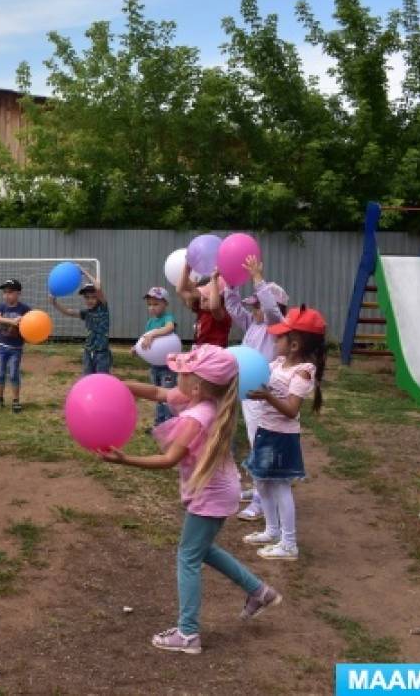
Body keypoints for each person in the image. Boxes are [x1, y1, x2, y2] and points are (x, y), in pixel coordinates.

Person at [101, 345, 283, 654]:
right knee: (202, 550)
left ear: (196, 385)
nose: (175, 377)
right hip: (219, 491)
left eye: (181, 373)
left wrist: (125, 459)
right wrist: (117, 386)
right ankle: (259, 591)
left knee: (187, 557)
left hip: (210, 496)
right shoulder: (203, 399)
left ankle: (188, 633)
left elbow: (169, 459)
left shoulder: (198, 416)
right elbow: (157, 392)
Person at [243, 306, 327, 562]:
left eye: (279, 337)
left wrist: (267, 395)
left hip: (281, 438)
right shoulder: (278, 363)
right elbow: (256, 376)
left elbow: (291, 409)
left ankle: (289, 543)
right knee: (261, 481)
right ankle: (272, 530)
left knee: (280, 486)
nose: (274, 340)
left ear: (294, 345)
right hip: (265, 432)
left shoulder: (301, 372)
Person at [223, 256, 289, 522]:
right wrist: (231, 284)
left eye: (257, 306)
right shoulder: (253, 325)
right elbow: (233, 307)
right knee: (254, 442)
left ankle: (262, 502)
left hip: (265, 394)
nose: (253, 311)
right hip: (249, 393)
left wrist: (258, 279)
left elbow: (272, 310)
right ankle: (259, 488)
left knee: (261, 445)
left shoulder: (276, 327)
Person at [52, 273, 111, 375]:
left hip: (102, 354)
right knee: (87, 378)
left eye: (93, 297)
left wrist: (85, 271)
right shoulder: (86, 313)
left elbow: (98, 287)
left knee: (101, 379)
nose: (90, 300)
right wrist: (55, 303)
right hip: (88, 352)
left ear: (98, 298)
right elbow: (68, 312)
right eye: (87, 297)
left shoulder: (103, 308)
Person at [0, 278, 31, 413]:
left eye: (10, 292)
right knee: (0, 372)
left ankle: (16, 401)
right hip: (1, 347)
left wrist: (23, 321)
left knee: (13, 374)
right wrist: (13, 321)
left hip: (16, 349)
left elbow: (32, 324)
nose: (7, 295)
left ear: (19, 293)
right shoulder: (1, 307)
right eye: (4, 292)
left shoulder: (25, 309)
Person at [137, 287, 178, 427]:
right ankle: (159, 423)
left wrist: (153, 334)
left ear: (165, 303)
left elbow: (169, 328)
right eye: (149, 304)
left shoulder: (168, 318)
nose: (152, 308)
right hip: (155, 366)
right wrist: (136, 348)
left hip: (167, 367)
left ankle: (170, 424)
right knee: (157, 395)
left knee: (168, 395)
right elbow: (145, 340)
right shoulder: (150, 323)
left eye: (156, 304)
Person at [177, 266, 230, 348]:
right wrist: (187, 268)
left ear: (221, 300)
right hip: (199, 350)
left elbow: (214, 307)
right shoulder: (201, 310)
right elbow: (181, 291)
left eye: (206, 298)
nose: (202, 299)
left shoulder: (222, 315)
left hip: (215, 354)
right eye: (202, 296)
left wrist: (214, 279)